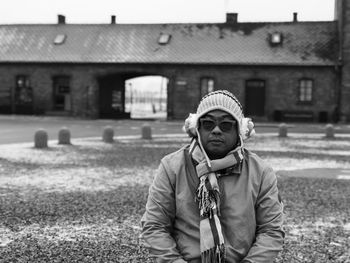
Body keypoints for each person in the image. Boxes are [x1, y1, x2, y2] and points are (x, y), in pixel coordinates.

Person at [141, 90, 284, 263]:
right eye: (208, 124)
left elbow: (271, 231)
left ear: (240, 130)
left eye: (226, 125)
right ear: (196, 128)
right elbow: (155, 226)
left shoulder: (260, 171)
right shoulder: (172, 166)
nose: (216, 130)